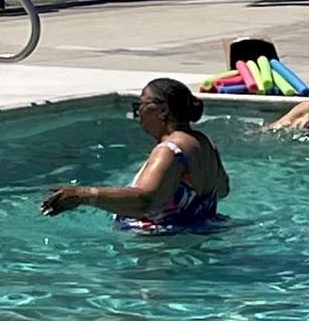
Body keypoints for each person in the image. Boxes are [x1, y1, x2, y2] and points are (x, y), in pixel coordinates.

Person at [41, 77, 230, 231]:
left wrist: (83, 195)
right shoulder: (205, 143)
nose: (137, 113)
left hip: (160, 254)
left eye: (140, 105)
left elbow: (144, 201)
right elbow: (223, 189)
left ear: (162, 110)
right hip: (197, 240)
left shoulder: (170, 151)